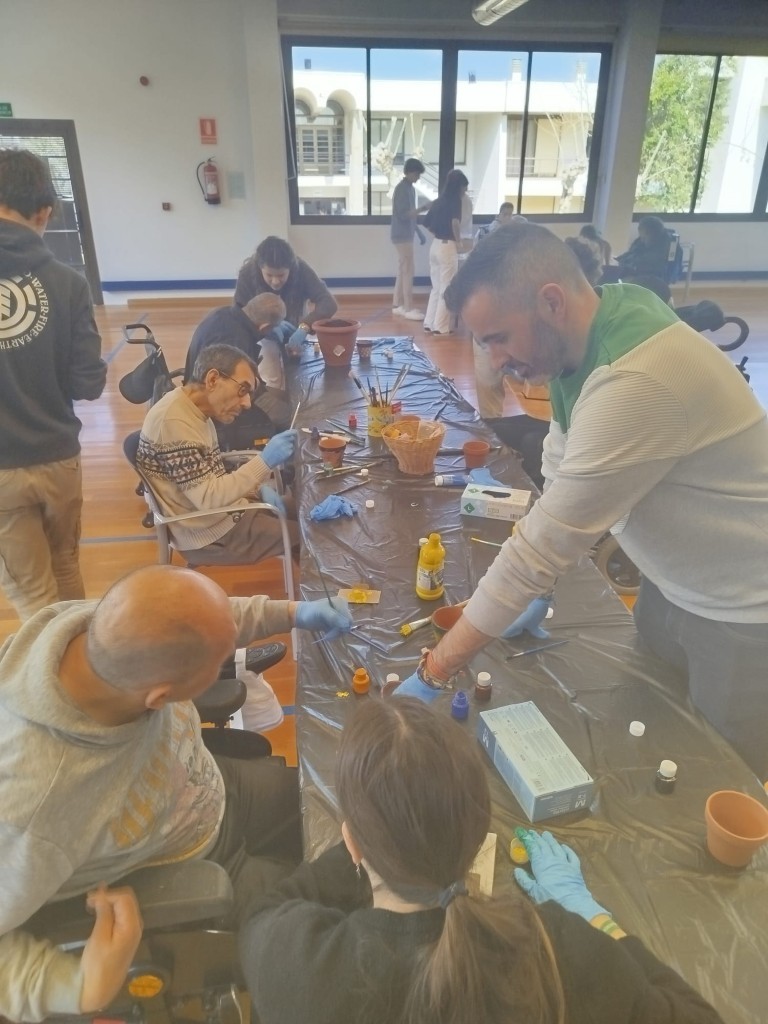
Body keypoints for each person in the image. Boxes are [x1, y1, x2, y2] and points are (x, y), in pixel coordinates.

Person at [395, 222, 768, 782]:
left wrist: (437, 668)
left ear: (551, 302)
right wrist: (539, 588)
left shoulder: (637, 380)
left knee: (720, 780)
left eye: (499, 337)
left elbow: (541, 547)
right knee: (655, 739)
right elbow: (560, 461)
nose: (494, 360)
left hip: (743, 610)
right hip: (671, 584)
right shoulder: (591, 329)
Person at [0, 564, 352, 1021]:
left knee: (342, 805)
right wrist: (76, 988)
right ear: (158, 699)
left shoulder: (90, 628)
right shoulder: (32, 810)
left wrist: (291, 613)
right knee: (339, 919)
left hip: (207, 788)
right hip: (192, 867)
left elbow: (201, 621)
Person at [239, 698, 724, 1024]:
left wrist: (373, 842)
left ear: (352, 843)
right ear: (476, 838)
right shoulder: (559, 952)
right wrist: (593, 916)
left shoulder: (296, 965)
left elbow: (265, 911)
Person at [0, 149, 107, 622]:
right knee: (65, 568)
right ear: (44, 212)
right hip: (59, 458)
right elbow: (88, 385)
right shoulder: (68, 283)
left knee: (33, 597)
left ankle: (55, 667)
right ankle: (78, 661)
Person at [137, 343, 301, 568]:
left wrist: (257, 490)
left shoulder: (191, 408)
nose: (247, 403)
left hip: (224, 514)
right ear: (213, 379)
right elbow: (209, 499)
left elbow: (211, 478)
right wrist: (264, 462)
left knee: (305, 509)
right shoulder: (173, 422)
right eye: (242, 390)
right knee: (311, 536)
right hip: (210, 535)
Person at [184, 292, 292, 443]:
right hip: (214, 410)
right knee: (292, 418)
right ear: (265, 327)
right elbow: (236, 392)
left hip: (199, 391)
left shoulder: (223, 313)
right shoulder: (235, 340)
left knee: (286, 398)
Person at [234, 235, 337, 351]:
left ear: (290, 268)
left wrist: (305, 327)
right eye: (269, 275)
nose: (275, 281)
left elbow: (328, 302)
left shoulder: (301, 269)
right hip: (260, 336)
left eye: (281, 275)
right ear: (260, 267)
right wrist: (264, 328)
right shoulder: (247, 274)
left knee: (295, 357)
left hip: (296, 329)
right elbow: (238, 313)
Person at [422, 169, 469, 336]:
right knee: (446, 287)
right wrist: (459, 241)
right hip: (447, 246)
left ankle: (429, 323)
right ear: (459, 186)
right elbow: (455, 223)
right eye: (464, 187)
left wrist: (439, 232)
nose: (465, 191)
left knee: (436, 288)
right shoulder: (455, 200)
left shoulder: (439, 200)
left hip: (435, 245)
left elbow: (426, 223)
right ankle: (441, 327)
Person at [390, 157, 429, 321]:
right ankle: (407, 307)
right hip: (401, 235)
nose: (418, 178)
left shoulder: (410, 189)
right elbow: (403, 215)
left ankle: (397, 304)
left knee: (403, 269)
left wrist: (419, 232)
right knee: (408, 270)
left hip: (406, 234)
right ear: (410, 172)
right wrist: (423, 208)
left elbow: (411, 216)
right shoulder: (401, 189)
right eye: (417, 174)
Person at [611, 215, 671, 281]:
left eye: (644, 237)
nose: (642, 239)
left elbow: (644, 265)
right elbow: (631, 253)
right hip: (633, 271)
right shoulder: (640, 241)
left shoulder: (661, 248)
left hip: (646, 277)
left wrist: (623, 264)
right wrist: (618, 259)